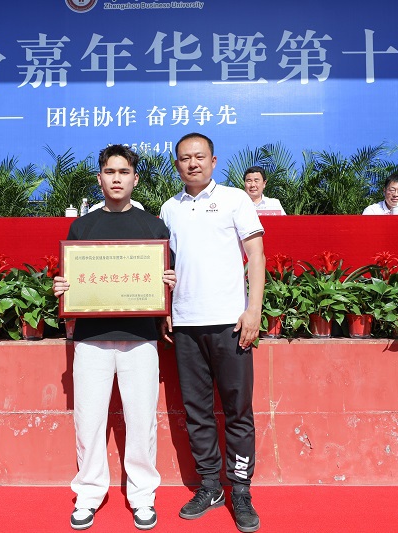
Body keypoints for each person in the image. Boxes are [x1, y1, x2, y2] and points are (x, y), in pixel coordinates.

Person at [53, 144, 176, 531]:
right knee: (88, 421)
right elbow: (71, 278)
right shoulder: (82, 227)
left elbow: (167, 282)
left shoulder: (153, 227)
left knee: (142, 422)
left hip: (141, 338)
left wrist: (169, 283)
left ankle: (142, 496)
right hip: (91, 338)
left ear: (135, 179)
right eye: (110, 172)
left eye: (124, 172)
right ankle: (89, 494)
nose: (117, 178)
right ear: (100, 178)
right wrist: (62, 287)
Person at [159, 133, 265, 533]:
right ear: (177, 165)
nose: (193, 164)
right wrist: (165, 309)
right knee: (197, 411)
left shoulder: (236, 199)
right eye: (185, 158)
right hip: (186, 324)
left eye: (199, 156)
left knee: (238, 410)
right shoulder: (169, 208)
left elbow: (256, 255)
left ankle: (241, 490)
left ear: (213, 160)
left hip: (230, 322)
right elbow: (165, 266)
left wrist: (253, 310)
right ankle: (210, 486)